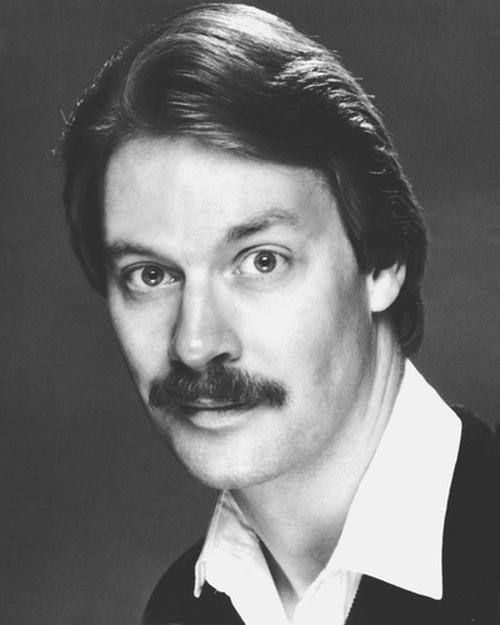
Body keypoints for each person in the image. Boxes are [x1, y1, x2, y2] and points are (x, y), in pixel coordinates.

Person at [60, 3, 499, 624]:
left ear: (382, 261)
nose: (195, 343)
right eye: (151, 275)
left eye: (261, 261)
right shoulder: (180, 610)